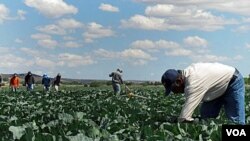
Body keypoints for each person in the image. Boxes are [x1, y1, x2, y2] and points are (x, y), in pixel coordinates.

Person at [161, 62, 245, 125]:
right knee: (206, 117)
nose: (175, 93)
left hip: (232, 82)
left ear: (179, 81)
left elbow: (184, 117)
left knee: (236, 122)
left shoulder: (193, 82)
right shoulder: (188, 75)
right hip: (215, 88)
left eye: (173, 89)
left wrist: (179, 123)